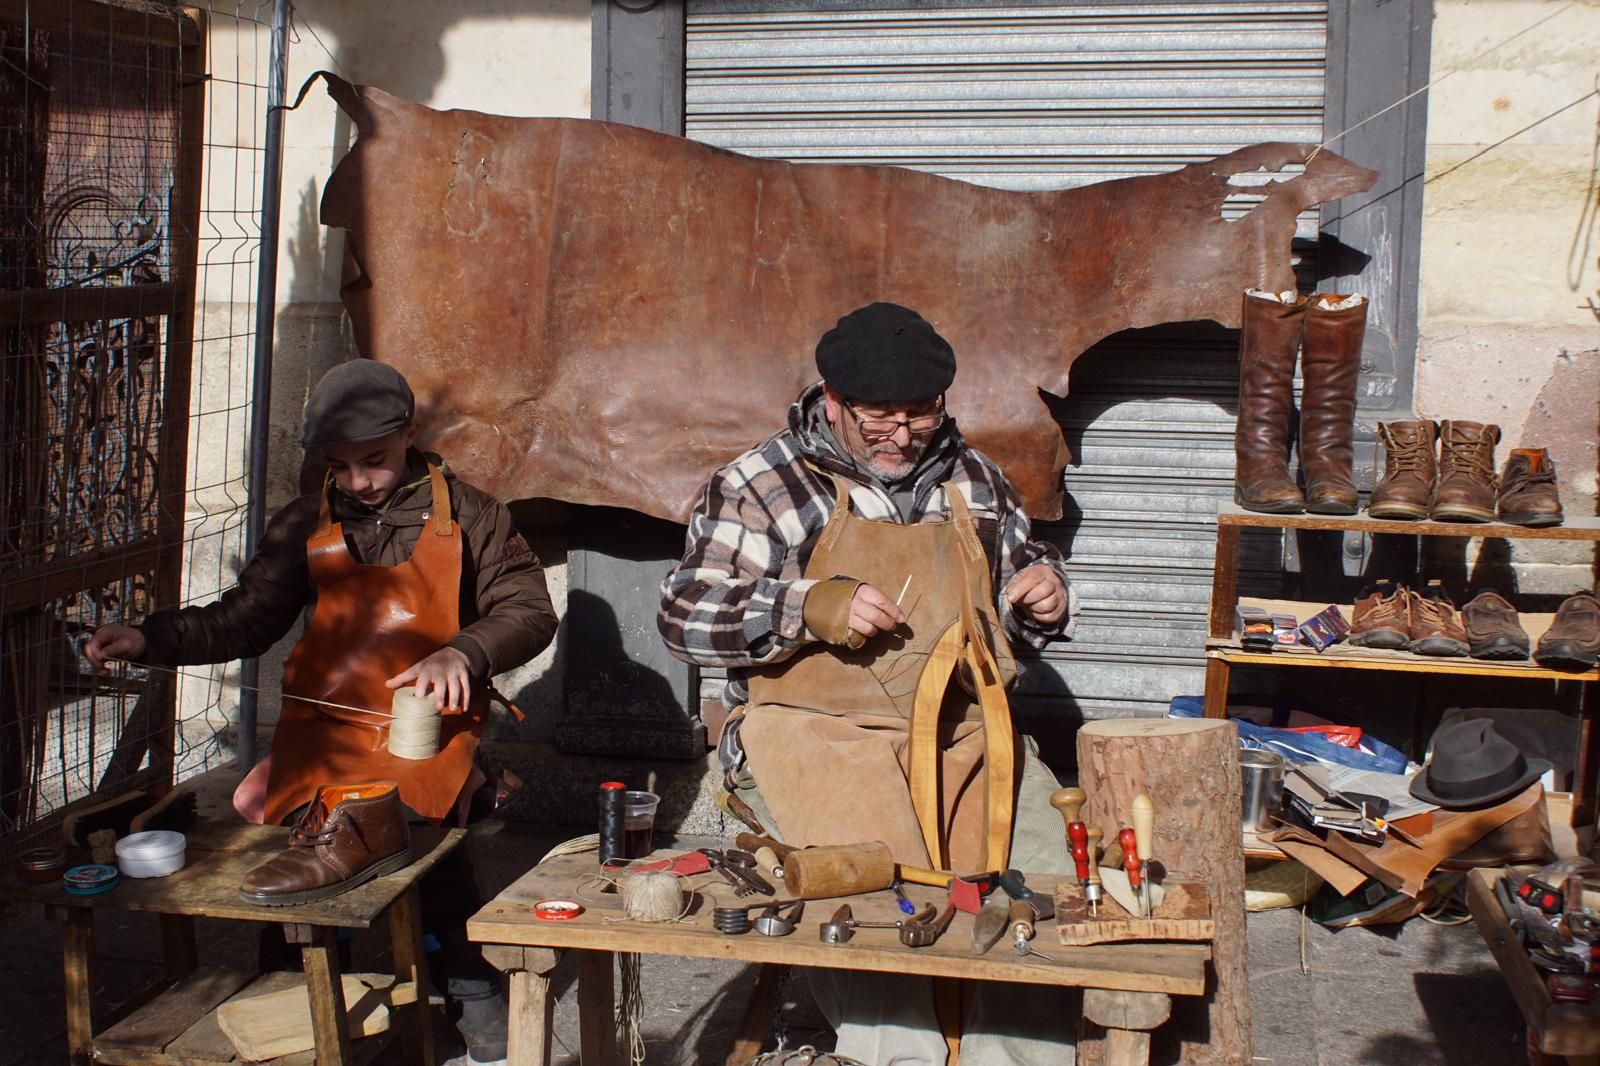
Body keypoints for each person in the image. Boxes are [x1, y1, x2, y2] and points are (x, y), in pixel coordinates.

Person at [85, 359, 557, 1066]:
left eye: (374, 460)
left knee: (425, 869)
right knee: (296, 888)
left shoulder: (476, 518)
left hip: (423, 736)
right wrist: (149, 638)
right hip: (325, 735)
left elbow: (529, 610)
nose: (359, 480)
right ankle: (292, 1005)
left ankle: (474, 1008)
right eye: (340, 465)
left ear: (412, 433)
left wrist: (464, 653)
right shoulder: (308, 522)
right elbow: (244, 621)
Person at [658, 301, 1079, 1065]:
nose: (902, 434)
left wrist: (1044, 591)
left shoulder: (975, 479)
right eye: (878, 417)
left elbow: (1017, 592)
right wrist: (805, 604)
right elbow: (683, 613)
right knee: (890, 911)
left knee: (1042, 897)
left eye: (919, 415)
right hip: (816, 737)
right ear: (832, 402)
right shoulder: (763, 483)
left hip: (960, 735)